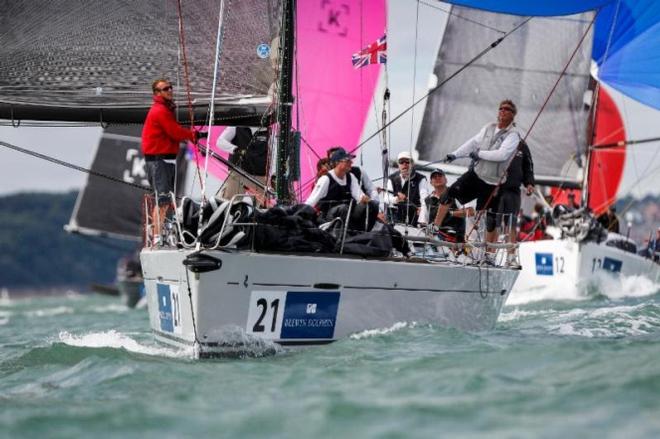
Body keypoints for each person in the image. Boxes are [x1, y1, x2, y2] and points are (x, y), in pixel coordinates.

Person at [433, 99, 521, 261]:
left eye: (507, 109)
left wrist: (479, 154)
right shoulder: (488, 127)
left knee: (490, 220)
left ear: (513, 115)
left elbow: (502, 155)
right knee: (448, 195)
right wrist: (455, 154)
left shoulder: (513, 136)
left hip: (493, 184)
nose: (503, 111)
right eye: (501, 108)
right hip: (476, 176)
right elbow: (473, 143)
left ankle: (488, 255)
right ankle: (434, 230)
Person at [141, 78, 198, 244]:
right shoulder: (160, 111)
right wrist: (193, 135)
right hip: (160, 162)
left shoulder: (165, 109)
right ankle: (158, 238)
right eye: (166, 89)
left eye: (171, 87)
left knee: (165, 200)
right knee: (163, 200)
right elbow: (174, 132)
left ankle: (161, 235)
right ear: (157, 93)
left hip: (163, 162)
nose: (170, 90)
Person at [305, 148, 377, 232]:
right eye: (347, 161)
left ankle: (361, 233)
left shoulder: (351, 177)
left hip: (348, 214)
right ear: (337, 163)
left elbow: (359, 196)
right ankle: (343, 233)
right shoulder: (325, 179)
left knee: (372, 206)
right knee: (343, 209)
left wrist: (365, 200)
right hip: (329, 218)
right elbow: (311, 201)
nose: (351, 163)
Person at [494, 138, 535, 266]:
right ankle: (489, 254)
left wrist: (529, 183)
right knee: (493, 223)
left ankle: (511, 257)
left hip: (513, 190)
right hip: (496, 189)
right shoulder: (495, 139)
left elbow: (528, 165)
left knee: (511, 223)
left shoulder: (521, 144)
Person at [419, 169, 475, 242]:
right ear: (431, 183)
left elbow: (471, 212)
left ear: (446, 180)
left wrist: (451, 213)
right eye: (434, 177)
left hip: (455, 241)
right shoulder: (427, 200)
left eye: (440, 176)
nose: (437, 178)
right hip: (434, 240)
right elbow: (422, 222)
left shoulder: (456, 195)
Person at [216, 126, 269, 200]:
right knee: (229, 203)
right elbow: (220, 141)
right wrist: (235, 149)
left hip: (260, 174)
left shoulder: (271, 129)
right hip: (239, 172)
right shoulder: (237, 125)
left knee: (264, 208)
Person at [386, 151, 430, 225]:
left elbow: (424, 199)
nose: (404, 164)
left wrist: (422, 219)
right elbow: (386, 198)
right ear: (398, 165)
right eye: (401, 162)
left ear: (412, 164)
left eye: (407, 162)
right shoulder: (391, 178)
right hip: (395, 218)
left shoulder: (421, 179)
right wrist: (396, 199)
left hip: (414, 218)